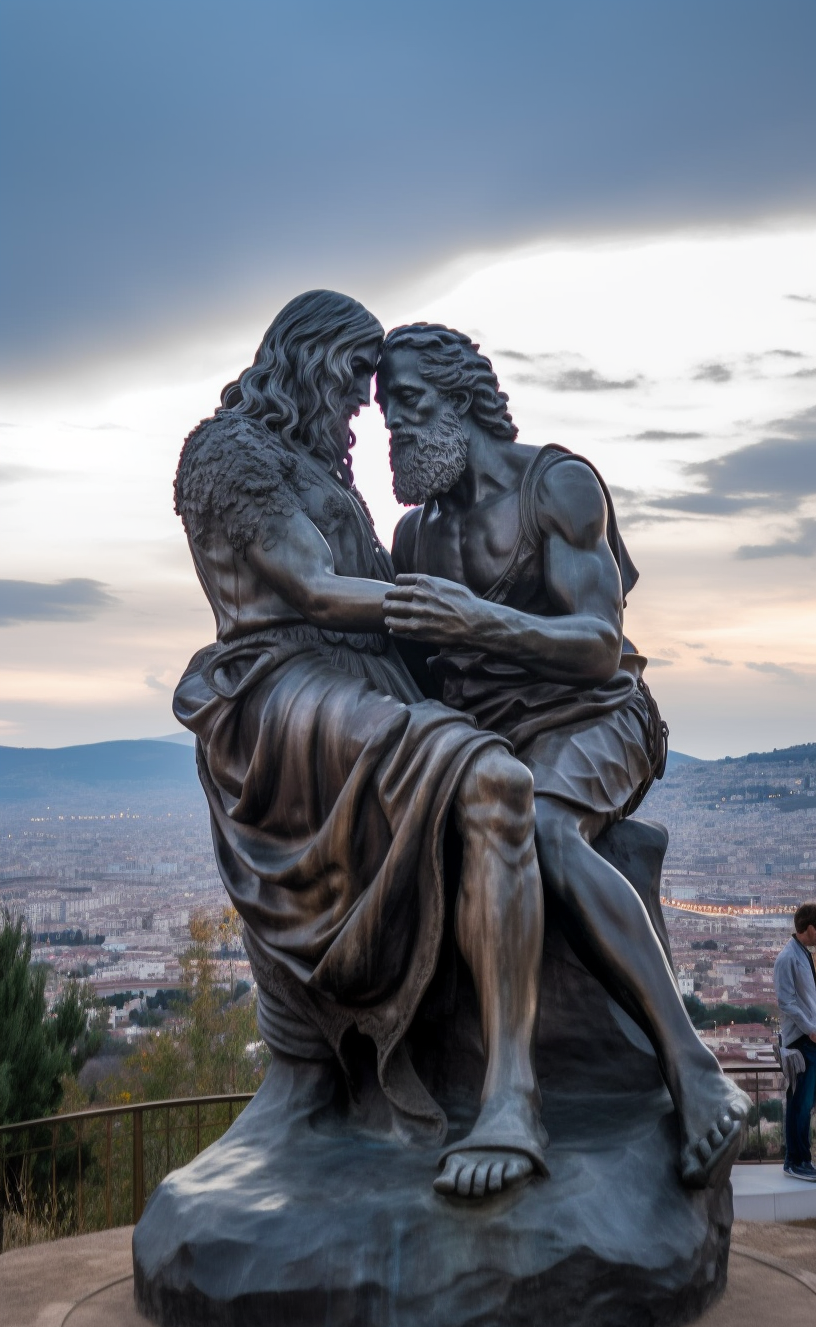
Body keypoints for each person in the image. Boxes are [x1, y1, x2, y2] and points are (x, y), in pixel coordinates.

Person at [172, 290, 549, 1199]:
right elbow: (310, 586)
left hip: (364, 683)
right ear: (304, 357)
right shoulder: (227, 453)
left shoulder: (322, 472)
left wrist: (534, 641)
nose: (355, 405)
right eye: (349, 380)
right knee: (494, 782)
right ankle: (493, 1091)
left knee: (502, 781)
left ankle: (510, 1093)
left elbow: (391, 607)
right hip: (286, 693)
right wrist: (478, 618)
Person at [376, 322, 750, 1189]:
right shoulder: (413, 537)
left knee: (544, 826)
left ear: (463, 401)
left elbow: (596, 643)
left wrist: (478, 621)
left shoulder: (559, 486)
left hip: (599, 715)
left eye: (410, 405)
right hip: (493, 738)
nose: (393, 430)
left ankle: (693, 1071)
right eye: (385, 413)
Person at [774, 903, 816, 1180]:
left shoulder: (803, 955)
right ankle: (795, 1160)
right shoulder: (787, 958)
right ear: (810, 928)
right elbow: (786, 1002)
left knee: (805, 1101)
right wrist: (811, 1028)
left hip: (808, 1038)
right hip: (801, 1040)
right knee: (799, 1102)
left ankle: (801, 1159)